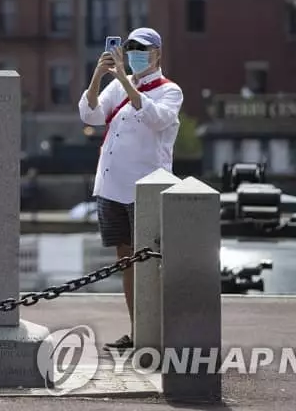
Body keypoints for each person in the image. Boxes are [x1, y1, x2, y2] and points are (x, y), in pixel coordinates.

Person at [77, 27, 183, 349]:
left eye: (142, 48)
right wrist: (99, 74)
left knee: (150, 262)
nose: (135, 52)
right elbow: (90, 114)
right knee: (126, 260)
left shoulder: (169, 90)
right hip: (113, 187)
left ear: (157, 54)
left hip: (146, 189)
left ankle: (159, 332)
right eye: (130, 47)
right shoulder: (118, 87)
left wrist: (124, 79)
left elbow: (156, 119)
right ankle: (138, 332)